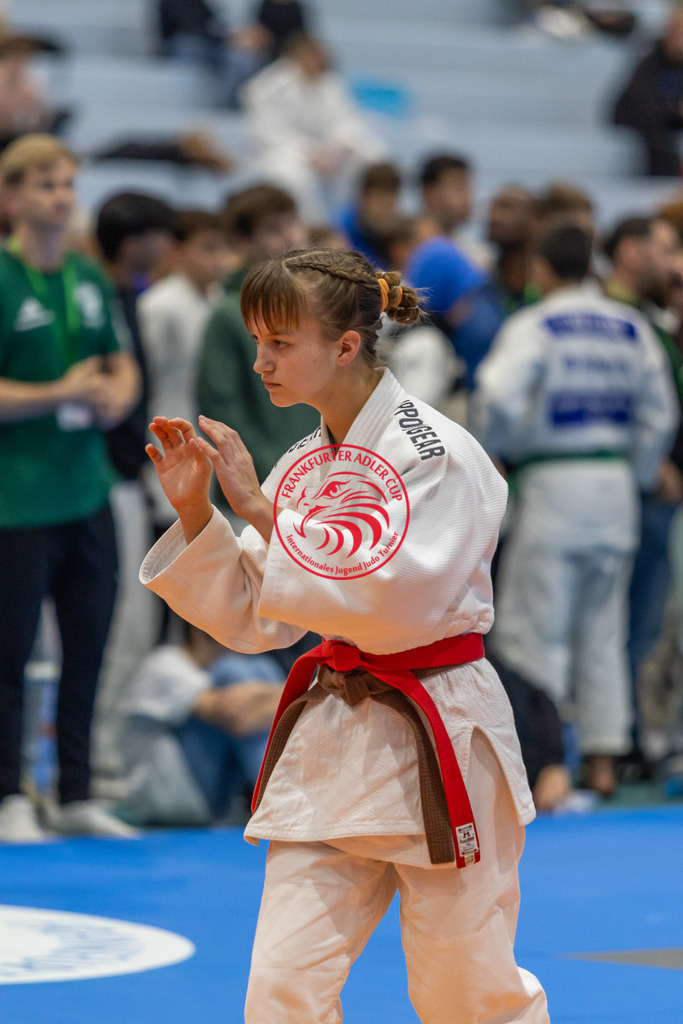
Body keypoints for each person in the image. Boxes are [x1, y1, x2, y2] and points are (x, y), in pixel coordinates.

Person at [140, 247, 550, 1023]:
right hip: (334, 737)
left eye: (279, 343)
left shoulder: (435, 452)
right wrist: (199, 512)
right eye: (256, 342)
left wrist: (260, 511)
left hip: (437, 725)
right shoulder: (305, 461)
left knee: (465, 993)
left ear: (346, 346)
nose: (260, 363)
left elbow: (396, 599)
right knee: (281, 988)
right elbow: (261, 614)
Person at [473, 224, 678, 799]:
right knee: (604, 630)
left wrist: (491, 453)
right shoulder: (630, 326)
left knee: (536, 630)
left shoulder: (535, 325)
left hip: (552, 484)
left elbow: (496, 394)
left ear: (541, 269)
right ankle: (603, 758)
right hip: (615, 488)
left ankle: (547, 762)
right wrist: (641, 470)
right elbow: (661, 413)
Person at [0, 135, 140, 841]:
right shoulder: (2, 277)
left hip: (88, 490)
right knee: (10, 652)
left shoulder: (87, 275)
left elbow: (121, 362)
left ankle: (77, 790)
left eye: (67, 184)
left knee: (90, 643)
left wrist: (118, 395)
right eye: (45, 185)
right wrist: (59, 391)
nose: (61, 196)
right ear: (11, 197)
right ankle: (8, 794)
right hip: (16, 500)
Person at [93, 191, 176, 787]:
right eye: (158, 235)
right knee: (117, 625)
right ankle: (97, 759)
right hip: (103, 480)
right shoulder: (98, 299)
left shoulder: (128, 298)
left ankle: (107, 756)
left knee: (132, 625)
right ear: (131, 242)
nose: (167, 246)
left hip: (130, 480)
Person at [602, 215, 683, 771]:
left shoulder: (651, 323)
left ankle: (633, 735)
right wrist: (651, 466)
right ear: (631, 252)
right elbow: (644, 409)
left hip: (643, 489)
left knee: (646, 624)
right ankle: (630, 736)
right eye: (665, 249)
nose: (672, 262)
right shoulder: (624, 323)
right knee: (633, 622)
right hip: (640, 491)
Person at [197, 184, 318, 515]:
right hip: (260, 489)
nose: (291, 236)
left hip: (317, 480)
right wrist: (273, 472)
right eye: (274, 229)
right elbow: (223, 409)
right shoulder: (227, 314)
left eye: (293, 223)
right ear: (242, 243)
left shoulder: (312, 306)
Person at [119, 622, 285, 826]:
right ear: (199, 633)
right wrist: (303, 693)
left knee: (262, 667)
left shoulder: (206, 670)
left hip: (209, 799)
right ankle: (284, 802)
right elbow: (236, 715)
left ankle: (283, 797)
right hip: (166, 797)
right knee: (233, 670)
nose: (242, 647)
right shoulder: (165, 665)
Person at [139, 208, 227, 534]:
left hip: (207, 427)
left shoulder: (219, 299)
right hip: (167, 424)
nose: (218, 259)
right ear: (176, 251)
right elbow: (146, 380)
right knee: (175, 527)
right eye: (207, 248)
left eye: (222, 248)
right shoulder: (159, 305)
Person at [242, 34, 386, 221]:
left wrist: (339, 147)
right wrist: (310, 152)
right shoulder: (268, 86)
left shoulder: (329, 83)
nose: (316, 63)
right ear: (296, 57)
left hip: (328, 154)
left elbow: (346, 121)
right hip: (284, 154)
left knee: (374, 156)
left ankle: (365, 221)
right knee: (295, 177)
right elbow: (269, 133)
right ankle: (314, 228)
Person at [612, 7, 683, 175]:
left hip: (668, 118)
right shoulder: (649, 61)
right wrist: (676, 108)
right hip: (638, 118)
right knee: (656, 133)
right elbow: (643, 102)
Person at [335, 161, 403, 267]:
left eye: (391, 204)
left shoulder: (397, 233)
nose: (386, 212)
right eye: (380, 202)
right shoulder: (341, 232)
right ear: (363, 198)